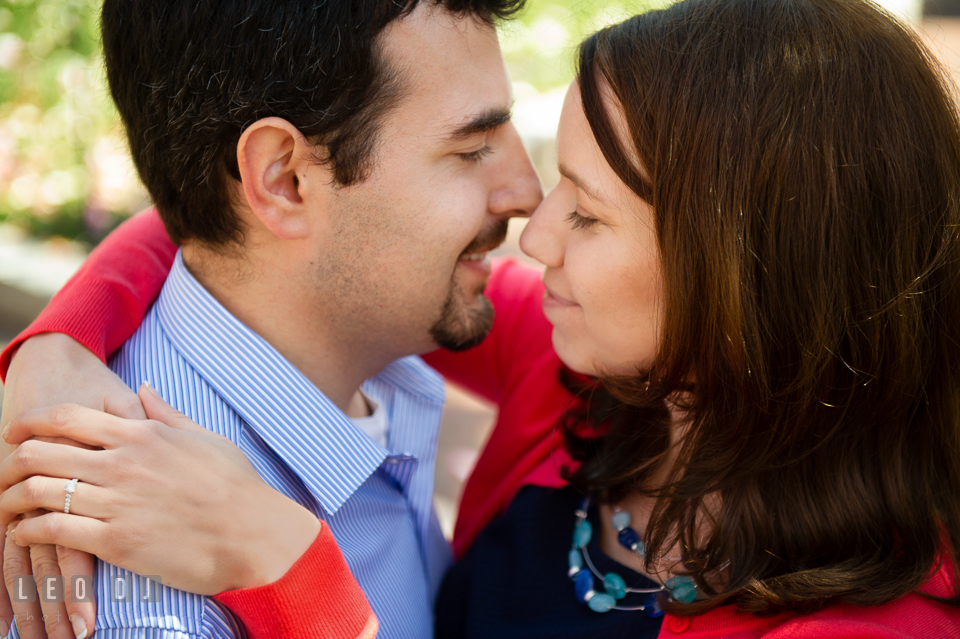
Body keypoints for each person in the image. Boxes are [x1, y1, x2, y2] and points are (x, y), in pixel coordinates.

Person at [3, 0, 960, 637]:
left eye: (585, 211)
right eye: (474, 150)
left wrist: (289, 569)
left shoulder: (875, 617)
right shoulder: (590, 373)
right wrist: (54, 355)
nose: (530, 223)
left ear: (748, 277)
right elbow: (230, 223)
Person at [0, 0, 543, 637]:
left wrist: (58, 337)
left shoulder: (378, 343)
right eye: (472, 148)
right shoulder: (147, 600)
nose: (529, 194)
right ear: (284, 179)